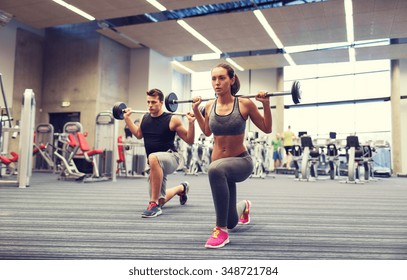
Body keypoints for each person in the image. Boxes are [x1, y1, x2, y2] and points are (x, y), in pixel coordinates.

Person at [192, 63, 271, 249]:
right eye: (214, 79)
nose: (217, 83)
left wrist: (266, 105)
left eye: (222, 78)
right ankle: (244, 206)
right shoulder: (210, 106)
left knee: (215, 170)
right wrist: (196, 110)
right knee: (232, 221)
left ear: (231, 79)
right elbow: (206, 131)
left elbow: (267, 128)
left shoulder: (244, 104)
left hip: (240, 162)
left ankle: (221, 230)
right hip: (220, 167)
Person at [123, 88, 196, 218]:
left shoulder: (172, 119)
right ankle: (182, 188)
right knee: (161, 199)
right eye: (148, 102)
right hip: (155, 164)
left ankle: (153, 204)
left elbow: (189, 140)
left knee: (153, 158)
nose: (150, 105)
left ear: (162, 102)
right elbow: (139, 135)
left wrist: (191, 123)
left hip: (172, 158)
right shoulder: (144, 118)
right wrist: (127, 119)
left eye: (154, 102)